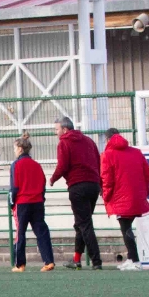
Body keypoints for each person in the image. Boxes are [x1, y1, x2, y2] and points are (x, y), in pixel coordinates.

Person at [50, 116, 103, 270]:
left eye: (57, 129)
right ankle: (76, 259)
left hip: (77, 185)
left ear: (65, 129)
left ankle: (96, 261)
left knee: (84, 224)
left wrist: (53, 179)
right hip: (93, 184)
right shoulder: (89, 141)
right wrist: (99, 183)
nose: (56, 133)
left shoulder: (64, 142)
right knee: (81, 223)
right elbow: (98, 162)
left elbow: (62, 165)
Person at [100, 130, 149, 271]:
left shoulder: (107, 155)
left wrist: (106, 196)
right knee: (127, 226)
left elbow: (107, 179)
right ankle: (131, 258)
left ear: (107, 140)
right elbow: (147, 174)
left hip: (119, 198)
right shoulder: (136, 152)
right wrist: (144, 192)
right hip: (136, 196)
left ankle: (135, 261)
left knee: (126, 228)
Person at [8, 137, 52, 272]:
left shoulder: (16, 165)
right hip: (37, 202)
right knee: (41, 231)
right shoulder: (36, 165)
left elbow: (14, 187)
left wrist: (11, 203)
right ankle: (48, 261)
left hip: (22, 203)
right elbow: (43, 183)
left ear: (20, 149)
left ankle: (20, 264)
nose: (14, 151)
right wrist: (41, 198)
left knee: (20, 232)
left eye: (15, 148)